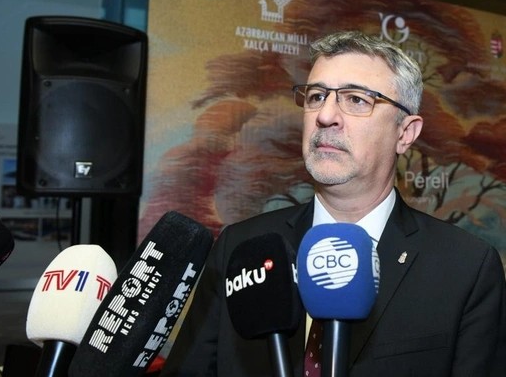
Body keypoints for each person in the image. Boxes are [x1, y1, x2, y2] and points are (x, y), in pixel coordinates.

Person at [160, 30, 506, 377]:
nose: (325, 116)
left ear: (405, 133)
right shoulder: (241, 248)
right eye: (316, 96)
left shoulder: (467, 268)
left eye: (356, 99)